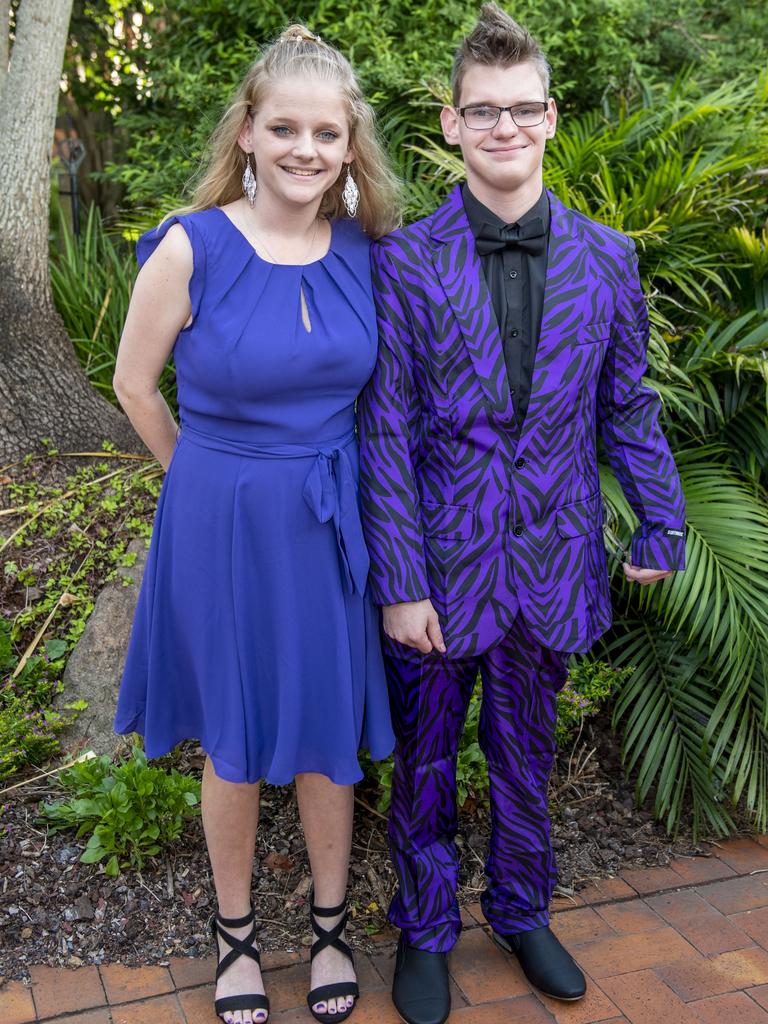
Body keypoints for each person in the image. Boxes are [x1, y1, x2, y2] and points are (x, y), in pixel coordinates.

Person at [358, 6, 686, 1023]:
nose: (506, 127)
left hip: (554, 556)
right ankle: (423, 927)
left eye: (524, 108)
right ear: (452, 124)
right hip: (439, 572)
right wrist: (401, 579)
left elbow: (626, 401)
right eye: (483, 111)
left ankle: (524, 907)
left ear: (551, 117)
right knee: (424, 759)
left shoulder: (609, 258)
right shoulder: (402, 262)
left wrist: (661, 517)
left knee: (526, 749)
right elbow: (384, 430)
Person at [112, 25, 399, 1024]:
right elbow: (134, 384)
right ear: (248, 131)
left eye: (327, 132)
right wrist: (202, 481)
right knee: (230, 734)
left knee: (327, 728)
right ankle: (235, 938)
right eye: (285, 126)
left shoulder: (366, 249)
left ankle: (328, 923)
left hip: (329, 521)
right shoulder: (194, 245)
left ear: (348, 145)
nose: (306, 148)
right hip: (222, 519)